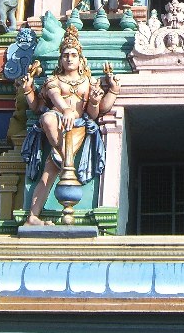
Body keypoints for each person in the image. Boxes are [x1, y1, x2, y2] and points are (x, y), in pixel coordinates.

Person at [18, 25, 120, 225]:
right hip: (57, 124)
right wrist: (29, 89)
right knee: (47, 118)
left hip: (78, 128)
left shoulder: (89, 82)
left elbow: (96, 113)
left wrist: (108, 93)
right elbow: (41, 106)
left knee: (48, 173)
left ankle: (33, 215)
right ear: (60, 59)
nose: (69, 58)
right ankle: (66, 159)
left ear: (81, 58)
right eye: (65, 55)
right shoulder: (53, 80)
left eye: (73, 54)